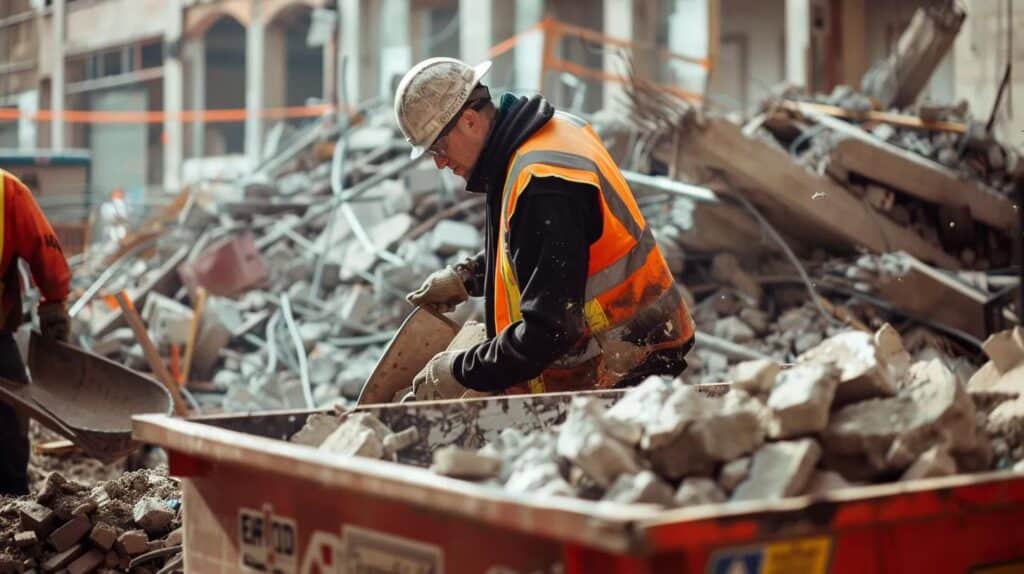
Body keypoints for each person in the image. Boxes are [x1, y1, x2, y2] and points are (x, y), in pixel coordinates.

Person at [394, 58, 695, 400]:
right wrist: (469, 276)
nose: (439, 162)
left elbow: (549, 332)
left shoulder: (542, 183)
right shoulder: (546, 135)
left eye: (439, 147)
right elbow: (544, 247)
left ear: (469, 121)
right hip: (639, 337)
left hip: (626, 356)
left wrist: (461, 372)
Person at [0, 169, 71, 495]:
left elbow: (43, 247)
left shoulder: (7, 191)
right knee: (9, 422)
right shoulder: (6, 189)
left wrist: (55, 301)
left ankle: (11, 501)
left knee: (11, 422)